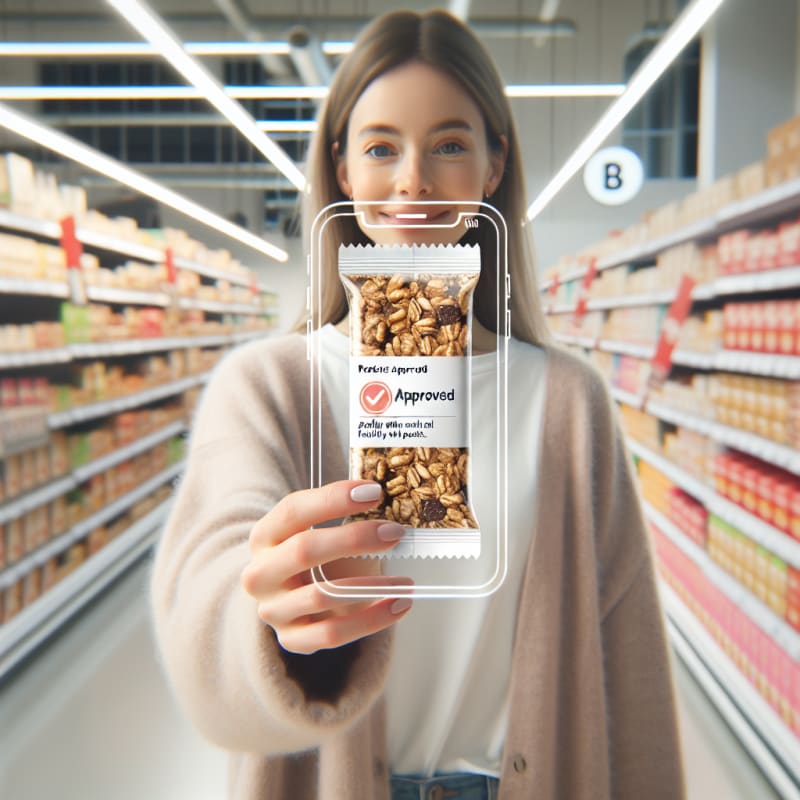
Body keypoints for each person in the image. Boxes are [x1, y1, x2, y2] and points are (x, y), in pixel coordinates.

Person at [150, 9, 685, 800]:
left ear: (493, 166)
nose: (412, 182)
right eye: (379, 148)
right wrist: (264, 613)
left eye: (449, 145)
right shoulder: (270, 387)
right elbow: (209, 591)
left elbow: (628, 660)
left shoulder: (569, 406)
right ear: (339, 169)